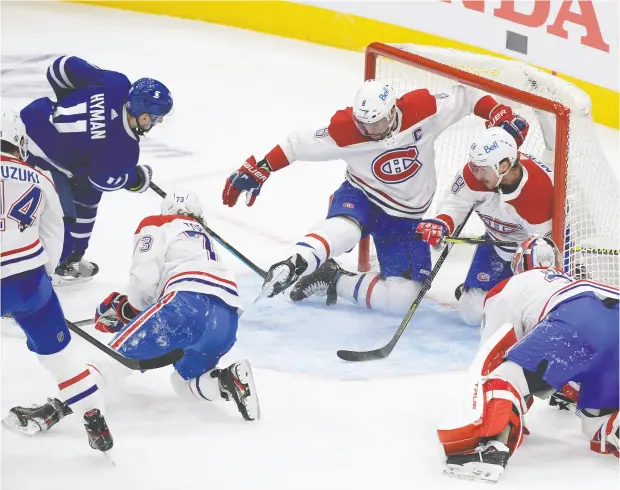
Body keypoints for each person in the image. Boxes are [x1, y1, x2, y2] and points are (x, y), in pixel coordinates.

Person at [223, 79, 527, 311]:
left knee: (403, 301)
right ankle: (296, 262)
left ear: (393, 110)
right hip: (361, 196)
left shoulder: (421, 109)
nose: (369, 130)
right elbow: (296, 144)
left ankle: (334, 278)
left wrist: (496, 112)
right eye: (363, 123)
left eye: (377, 122)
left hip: (406, 218)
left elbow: (466, 96)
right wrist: (261, 167)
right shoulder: (345, 130)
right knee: (344, 228)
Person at [436, 236, 618, 482]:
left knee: (502, 377)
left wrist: (513, 407)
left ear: (518, 263)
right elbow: (596, 348)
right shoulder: (568, 281)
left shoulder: (510, 285)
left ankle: (489, 446)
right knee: (599, 423)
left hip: (578, 320)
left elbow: (494, 353)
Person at [87, 189, 259, 421]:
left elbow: (144, 279)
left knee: (111, 360)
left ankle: (56, 408)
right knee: (184, 382)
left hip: (187, 305)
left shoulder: (159, 223)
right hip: (226, 321)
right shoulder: (203, 237)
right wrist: (130, 313)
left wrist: (128, 311)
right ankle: (226, 381)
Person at [0, 110, 113, 453]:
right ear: (19, 142)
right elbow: (55, 237)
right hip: (32, 282)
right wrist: (41, 284)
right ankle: (95, 421)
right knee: (63, 361)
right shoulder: (40, 176)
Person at [20, 55, 173, 284]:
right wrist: (135, 178)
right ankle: (56, 265)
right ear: (143, 116)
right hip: (37, 159)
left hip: (23, 124)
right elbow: (101, 180)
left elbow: (59, 68)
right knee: (80, 198)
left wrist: (68, 105)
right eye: (156, 118)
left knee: (82, 179)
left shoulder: (117, 83)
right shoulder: (125, 149)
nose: (157, 123)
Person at [414, 124, 554, 326]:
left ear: (504, 166)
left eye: (482, 169)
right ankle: (482, 288)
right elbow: (455, 203)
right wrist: (442, 224)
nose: (477, 175)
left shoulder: (538, 190)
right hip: (496, 244)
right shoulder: (474, 175)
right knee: (471, 314)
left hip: (532, 254)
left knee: (530, 317)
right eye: (474, 167)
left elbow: (545, 250)